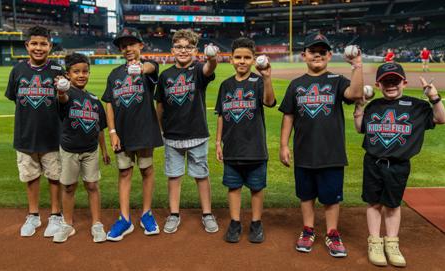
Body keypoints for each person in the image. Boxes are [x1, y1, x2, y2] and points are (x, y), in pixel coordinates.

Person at [278, 32, 364, 257]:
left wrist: (357, 66)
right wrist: (283, 146)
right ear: (304, 55)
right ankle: (308, 229)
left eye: (322, 52)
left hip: (331, 152)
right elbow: (288, 116)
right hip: (304, 151)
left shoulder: (337, 81)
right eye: (313, 52)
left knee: (331, 196)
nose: (317, 55)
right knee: (306, 195)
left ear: (329, 55)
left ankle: (332, 233)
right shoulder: (296, 84)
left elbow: (355, 93)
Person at [353, 63, 445, 267]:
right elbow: (361, 129)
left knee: (393, 205)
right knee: (374, 203)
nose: (391, 85)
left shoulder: (417, 106)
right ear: (378, 84)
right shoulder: (374, 106)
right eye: (386, 81)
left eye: (395, 80)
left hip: (398, 165)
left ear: (404, 82)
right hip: (373, 162)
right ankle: (375, 242)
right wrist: (359, 107)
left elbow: (441, 119)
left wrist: (434, 97)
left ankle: (392, 244)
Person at [102, 27, 164, 241]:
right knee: (124, 173)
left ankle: (146, 214)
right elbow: (109, 103)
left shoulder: (149, 68)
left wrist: (140, 68)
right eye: (123, 45)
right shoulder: (114, 74)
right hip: (123, 134)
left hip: (145, 131)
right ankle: (125, 218)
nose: (127, 48)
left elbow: (150, 67)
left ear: (140, 45)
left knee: (147, 171)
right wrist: (112, 131)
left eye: (131, 44)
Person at [155, 29, 219, 234]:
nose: (183, 50)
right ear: (172, 49)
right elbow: (160, 106)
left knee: (201, 175)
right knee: (174, 176)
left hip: (197, 133)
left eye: (188, 47)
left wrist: (212, 59)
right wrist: (159, 130)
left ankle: (207, 213)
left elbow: (210, 68)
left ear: (195, 51)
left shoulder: (199, 70)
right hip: (172, 135)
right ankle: (174, 214)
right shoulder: (165, 76)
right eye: (180, 47)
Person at [5, 26, 64, 237]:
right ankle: (34, 215)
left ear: (50, 46)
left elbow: (64, 100)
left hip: (52, 134)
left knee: (55, 176)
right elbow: (13, 96)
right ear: (27, 46)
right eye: (34, 44)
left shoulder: (58, 70)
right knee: (30, 176)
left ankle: (56, 215)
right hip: (25, 134)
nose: (39, 48)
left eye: (43, 44)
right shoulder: (18, 70)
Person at [215, 38, 276, 243]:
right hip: (231, 146)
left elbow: (269, 102)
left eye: (247, 57)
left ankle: (256, 223)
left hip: (255, 147)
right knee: (233, 186)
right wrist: (217, 143)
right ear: (231, 59)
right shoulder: (225, 85)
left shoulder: (258, 82)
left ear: (253, 60)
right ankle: (235, 222)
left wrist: (267, 78)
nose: (242, 61)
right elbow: (221, 115)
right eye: (238, 57)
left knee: (257, 187)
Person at [53, 53, 110, 243]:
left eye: (85, 71)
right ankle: (67, 224)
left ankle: (96, 224)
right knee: (68, 187)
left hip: (91, 150)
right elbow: (62, 99)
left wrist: (104, 151)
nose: (81, 75)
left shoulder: (94, 100)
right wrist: (61, 90)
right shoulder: (67, 94)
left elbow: (100, 128)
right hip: (69, 150)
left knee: (92, 185)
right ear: (68, 74)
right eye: (76, 72)